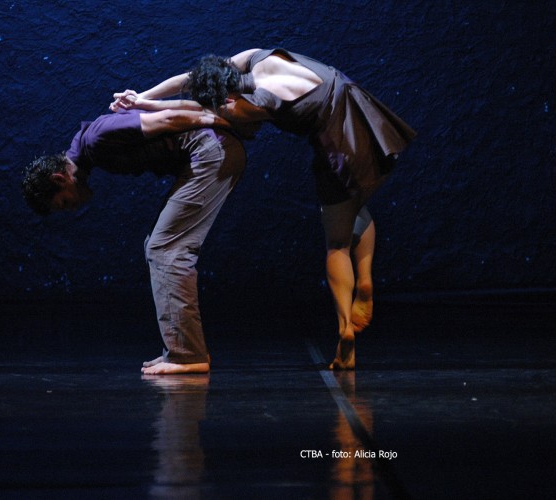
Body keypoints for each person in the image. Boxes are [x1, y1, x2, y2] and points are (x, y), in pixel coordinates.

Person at [111, 48, 416, 370]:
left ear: (226, 94)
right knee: (359, 205)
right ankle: (365, 283)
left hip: (340, 148)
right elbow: (191, 79)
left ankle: (344, 334)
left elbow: (194, 110)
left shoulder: (258, 103)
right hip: (368, 122)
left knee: (337, 244)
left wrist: (146, 104)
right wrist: (141, 95)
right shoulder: (259, 56)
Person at [22, 107, 246, 375]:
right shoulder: (85, 147)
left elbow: (167, 116)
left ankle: (186, 355)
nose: (73, 208)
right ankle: (182, 349)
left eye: (66, 202)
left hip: (210, 153)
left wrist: (218, 119)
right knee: (158, 244)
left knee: (164, 248)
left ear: (60, 178)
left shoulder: (95, 138)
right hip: (208, 154)